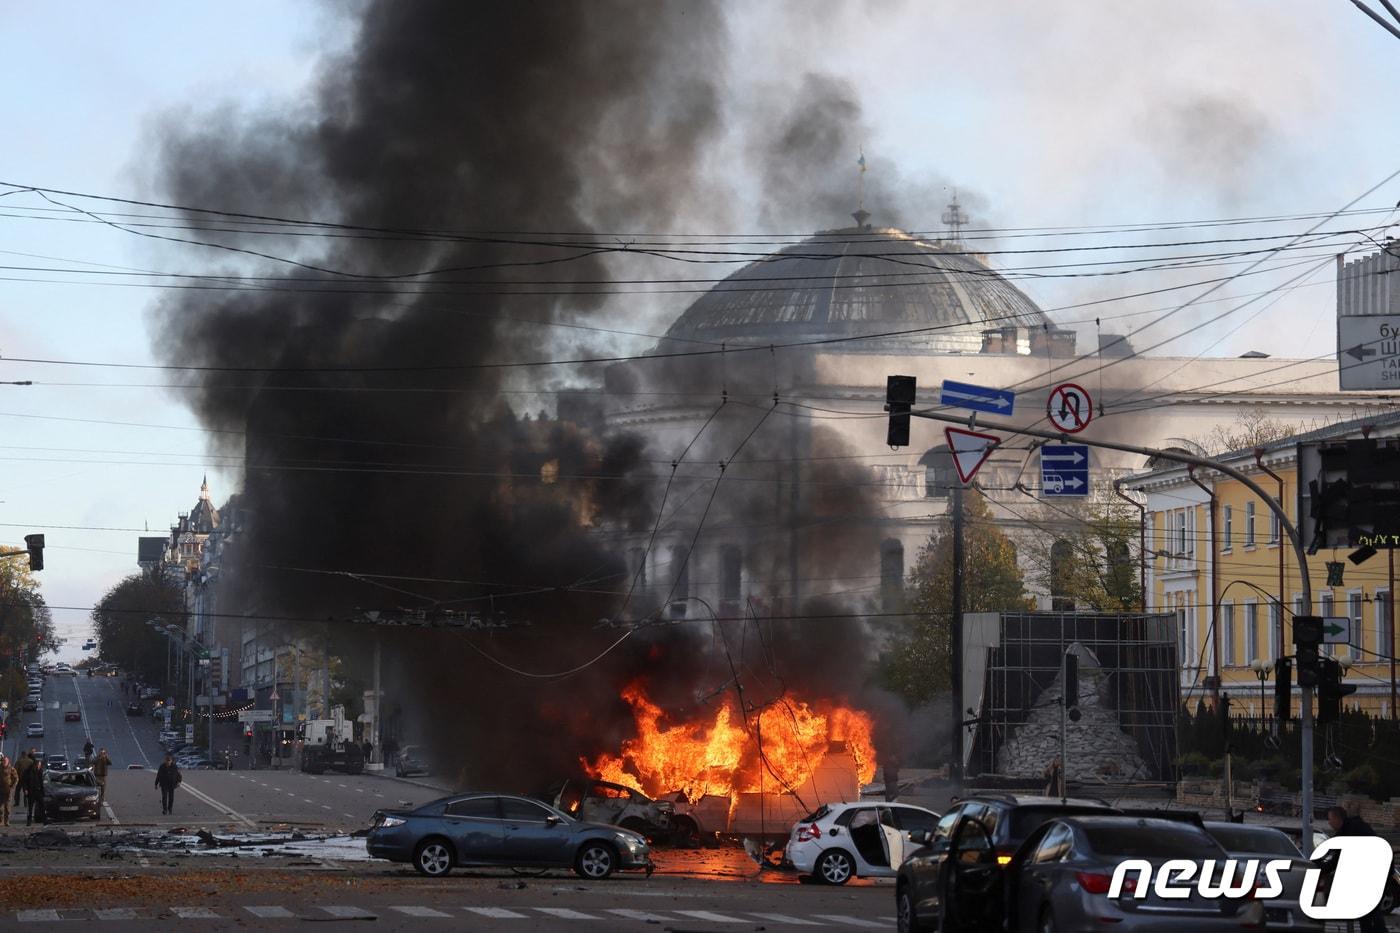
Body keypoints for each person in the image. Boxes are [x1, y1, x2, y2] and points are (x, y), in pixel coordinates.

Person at [1325, 805, 1386, 933]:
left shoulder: (1352, 830)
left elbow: (1338, 858)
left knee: (1370, 911)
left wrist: (1321, 869)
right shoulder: (1350, 828)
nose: (1329, 822)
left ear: (1337, 818)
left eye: (1330, 819)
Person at [22, 757, 45, 825]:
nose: (39, 766)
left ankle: (44, 820)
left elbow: (41, 782)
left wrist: (42, 791)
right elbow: (24, 782)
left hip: (38, 791)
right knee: (30, 807)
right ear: (35, 765)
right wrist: (25, 789)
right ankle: (29, 821)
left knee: (42, 805)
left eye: (40, 765)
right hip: (31, 791)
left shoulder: (40, 771)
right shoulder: (28, 771)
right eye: (38, 765)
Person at [0, 754, 17, 826]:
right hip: (0, 790)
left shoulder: (11, 769)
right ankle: (1, 821)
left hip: (8, 790)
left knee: (7, 807)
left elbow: (16, 778)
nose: (4, 762)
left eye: (5, 761)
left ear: (8, 761)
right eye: (3, 761)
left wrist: (12, 787)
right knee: (0, 807)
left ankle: (7, 821)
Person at [92, 748, 111, 812]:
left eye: (103, 752)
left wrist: (106, 757)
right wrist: (99, 757)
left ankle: (102, 801)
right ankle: (97, 801)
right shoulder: (97, 758)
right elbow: (93, 761)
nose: (102, 754)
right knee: (97, 789)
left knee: (103, 790)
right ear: (99, 752)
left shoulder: (105, 758)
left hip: (103, 776)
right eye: (101, 752)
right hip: (97, 776)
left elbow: (110, 763)